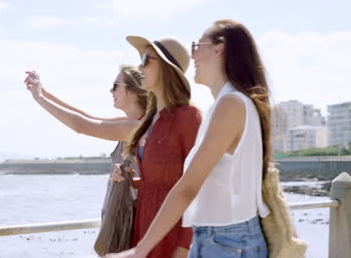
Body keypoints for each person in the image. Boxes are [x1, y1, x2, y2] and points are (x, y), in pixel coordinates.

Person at [106, 19, 272, 258]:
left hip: (227, 241)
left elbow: (188, 187)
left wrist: (139, 251)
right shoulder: (230, 103)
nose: (193, 55)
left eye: (197, 45)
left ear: (218, 49)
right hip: (221, 238)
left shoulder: (230, 104)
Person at [110, 36, 202, 258]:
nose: (139, 66)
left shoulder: (188, 117)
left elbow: (198, 187)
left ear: (167, 68)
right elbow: (165, 180)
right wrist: (132, 180)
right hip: (147, 225)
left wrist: (184, 247)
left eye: (146, 59)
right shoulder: (153, 120)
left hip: (172, 232)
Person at [24, 65, 147, 219]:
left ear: (133, 92)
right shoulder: (134, 123)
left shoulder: (135, 127)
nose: (111, 91)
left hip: (130, 220)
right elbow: (86, 118)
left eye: (115, 86)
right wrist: (45, 93)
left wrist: (40, 98)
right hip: (127, 216)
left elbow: (81, 125)